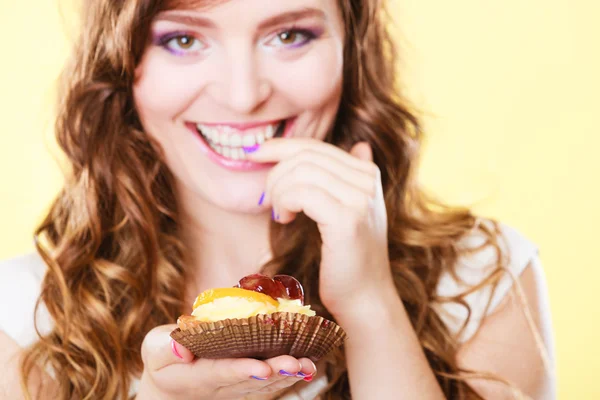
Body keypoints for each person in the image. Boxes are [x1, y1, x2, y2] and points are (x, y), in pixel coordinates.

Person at [0, 0, 556, 399]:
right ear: (121, 67)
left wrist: (369, 304)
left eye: (289, 34)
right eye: (184, 39)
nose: (243, 95)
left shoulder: (483, 278)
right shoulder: (22, 320)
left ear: (350, 50)